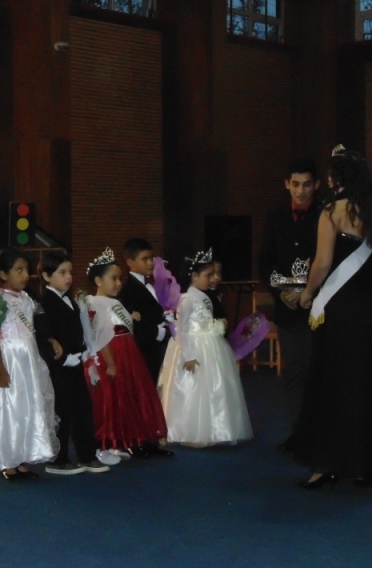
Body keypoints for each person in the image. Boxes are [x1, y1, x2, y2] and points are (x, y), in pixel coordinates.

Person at [292, 147, 372, 488]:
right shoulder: (368, 210)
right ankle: (362, 465)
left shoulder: (332, 211)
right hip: (368, 307)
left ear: (333, 179)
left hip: (339, 311)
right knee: (364, 383)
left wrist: (308, 294)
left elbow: (323, 263)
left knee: (333, 382)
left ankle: (327, 464)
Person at [0, 248, 59, 480]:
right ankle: (7, 460)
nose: (24, 275)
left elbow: (32, 330)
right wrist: (0, 369)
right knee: (8, 408)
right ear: (4, 274)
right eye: (18, 270)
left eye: (26, 270)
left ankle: (22, 456)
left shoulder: (27, 299)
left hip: (27, 359)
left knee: (26, 408)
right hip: (7, 358)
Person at [157, 249, 253, 447]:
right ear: (194, 276)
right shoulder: (187, 299)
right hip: (194, 346)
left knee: (211, 388)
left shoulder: (204, 296)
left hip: (210, 346)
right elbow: (181, 331)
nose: (211, 279)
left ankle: (211, 429)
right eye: (208, 276)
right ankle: (190, 430)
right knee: (193, 389)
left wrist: (216, 327)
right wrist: (189, 356)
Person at [257, 159, 321, 449]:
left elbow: (330, 262)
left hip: (320, 308)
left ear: (316, 185)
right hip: (288, 309)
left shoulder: (326, 215)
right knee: (294, 373)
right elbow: (265, 261)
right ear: (287, 184)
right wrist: (284, 288)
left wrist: (306, 289)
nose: (301, 191)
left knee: (318, 372)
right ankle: (299, 434)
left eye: (307, 184)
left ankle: (321, 434)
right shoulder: (275, 216)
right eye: (295, 184)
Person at [84, 248, 169, 460]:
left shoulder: (116, 302)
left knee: (135, 396)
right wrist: (109, 362)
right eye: (113, 278)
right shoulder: (93, 303)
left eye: (119, 278)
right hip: (112, 355)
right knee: (113, 399)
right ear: (98, 280)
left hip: (130, 354)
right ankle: (111, 442)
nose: (118, 283)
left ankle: (139, 439)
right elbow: (98, 334)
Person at [37, 251, 115, 474]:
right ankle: (57, 458)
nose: (68, 277)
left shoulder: (71, 300)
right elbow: (44, 336)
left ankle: (86, 455)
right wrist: (62, 358)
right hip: (59, 367)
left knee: (83, 409)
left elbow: (77, 330)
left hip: (75, 364)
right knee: (62, 412)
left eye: (70, 272)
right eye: (62, 273)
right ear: (46, 276)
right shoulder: (45, 302)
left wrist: (81, 351)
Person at [118, 238, 170, 383]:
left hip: (159, 348)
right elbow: (132, 325)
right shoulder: (128, 290)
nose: (150, 263)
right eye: (144, 259)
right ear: (130, 262)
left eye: (151, 258)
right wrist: (157, 332)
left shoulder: (153, 283)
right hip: (145, 351)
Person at [205, 259, 228, 324]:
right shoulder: (205, 295)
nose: (216, 277)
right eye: (212, 274)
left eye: (219, 273)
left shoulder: (216, 293)